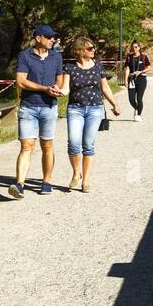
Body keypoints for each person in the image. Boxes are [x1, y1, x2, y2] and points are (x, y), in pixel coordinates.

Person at [11, 25, 64, 198]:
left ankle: (46, 181)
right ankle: (19, 185)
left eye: (53, 37)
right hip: (28, 107)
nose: (52, 40)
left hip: (49, 108)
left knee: (47, 145)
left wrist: (57, 87)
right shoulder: (25, 56)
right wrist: (44, 88)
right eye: (49, 37)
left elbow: (60, 79)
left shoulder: (56, 57)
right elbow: (20, 81)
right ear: (38, 38)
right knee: (26, 146)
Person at [63, 37, 119, 193]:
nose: (94, 50)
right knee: (73, 142)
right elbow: (66, 88)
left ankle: (86, 180)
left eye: (93, 48)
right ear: (80, 50)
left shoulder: (98, 67)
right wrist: (58, 91)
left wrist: (114, 104)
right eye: (90, 48)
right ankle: (76, 173)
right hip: (75, 109)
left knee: (88, 144)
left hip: (95, 109)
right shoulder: (69, 68)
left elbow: (105, 88)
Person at [124, 41, 151, 121]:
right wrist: (125, 80)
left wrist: (141, 72)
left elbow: (149, 67)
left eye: (136, 47)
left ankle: (139, 115)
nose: (134, 48)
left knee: (139, 98)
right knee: (131, 99)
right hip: (132, 80)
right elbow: (127, 69)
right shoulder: (129, 57)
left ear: (139, 48)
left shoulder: (143, 57)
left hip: (141, 79)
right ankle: (136, 108)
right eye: (133, 47)